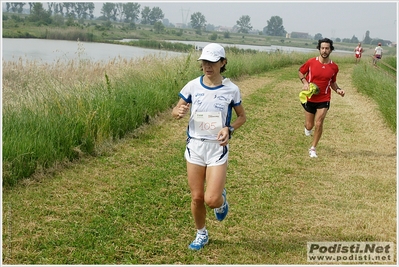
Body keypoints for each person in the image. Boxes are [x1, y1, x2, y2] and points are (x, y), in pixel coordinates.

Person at [172, 43, 246, 250]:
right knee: (196, 197)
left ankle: (221, 200)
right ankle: (201, 234)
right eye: (204, 62)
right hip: (195, 146)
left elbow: (242, 117)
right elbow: (176, 109)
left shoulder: (231, 89)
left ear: (223, 63)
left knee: (211, 199)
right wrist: (177, 113)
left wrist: (228, 129)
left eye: (212, 62)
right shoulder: (192, 86)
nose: (207, 66)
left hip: (216, 148)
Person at [298, 38, 345, 158]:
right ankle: (308, 128)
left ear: (331, 49)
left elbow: (333, 83)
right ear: (319, 48)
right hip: (310, 97)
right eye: (322, 48)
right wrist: (305, 82)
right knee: (309, 125)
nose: (324, 50)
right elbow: (300, 72)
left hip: (324, 98)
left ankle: (313, 148)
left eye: (327, 48)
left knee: (319, 123)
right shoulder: (311, 62)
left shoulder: (334, 67)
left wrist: (338, 90)